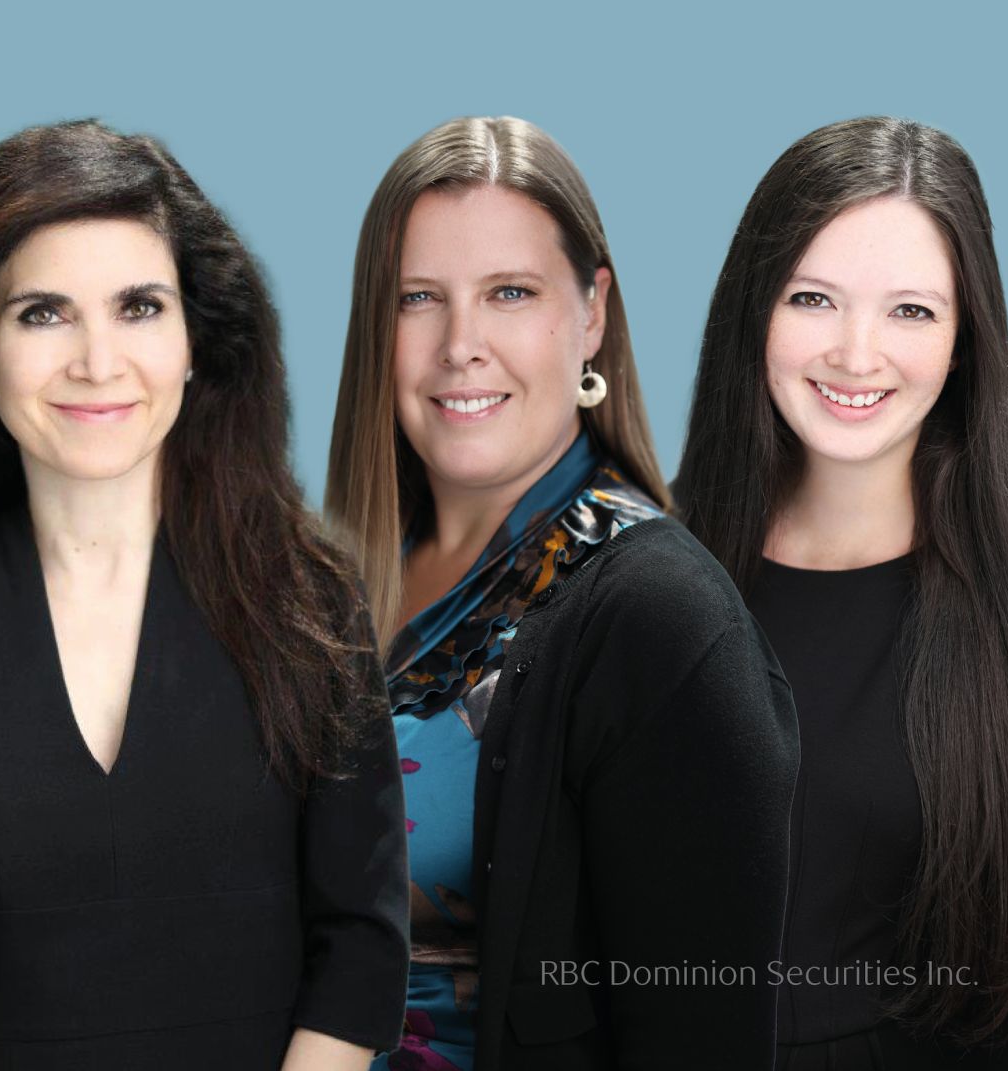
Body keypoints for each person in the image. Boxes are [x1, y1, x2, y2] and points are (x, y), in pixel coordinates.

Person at [0, 119, 410, 1071]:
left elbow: (360, 947)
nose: (97, 361)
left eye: (138, 307)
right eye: (43, 313)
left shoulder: (311, 600)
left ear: (195, 341)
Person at [323, 115, 798, 1069]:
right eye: (419, 296)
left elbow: (701, 1041)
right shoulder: (321, 590)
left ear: (592, 313)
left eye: (510, 292)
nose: (462, 343)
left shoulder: (660, 621)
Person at [673, 115, 1008, 1069]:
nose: (857, 354)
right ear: (754, 311)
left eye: (911, 310)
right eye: (814, 298)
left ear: (964, 343)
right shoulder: (640, 572)